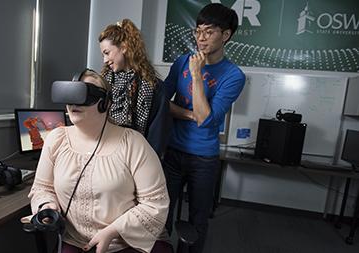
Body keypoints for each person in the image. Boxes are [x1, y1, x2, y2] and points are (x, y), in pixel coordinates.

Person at [23, 70, 172, 253]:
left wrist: (112, 231)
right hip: (75, 241)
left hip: (124, 243)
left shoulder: (133, 143)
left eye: (86, 94)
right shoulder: (56, 139)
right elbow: (42, 188)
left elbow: (155, 203)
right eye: (72, 94)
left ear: (106, 103)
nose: (75, 102)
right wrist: (48, 205)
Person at [162, 3, 246, 253]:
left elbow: (207, 120)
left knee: (198, 220)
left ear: (226, 35)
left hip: (204, 158)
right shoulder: (181, 62)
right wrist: (193, 114)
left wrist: (197, 76)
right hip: (173, 151)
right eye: (198, 31)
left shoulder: (234, 76)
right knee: (161, 212)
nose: (201, 38)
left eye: (209, 32)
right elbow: (163, 103)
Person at [99, 19, 171, 157]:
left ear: (124, 47)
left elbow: (157, 138)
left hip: (138, 158)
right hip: (104, 156)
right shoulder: (102, 83)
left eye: (107, 53)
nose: (105, 60)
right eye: (103, 55)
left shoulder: (154, 87)